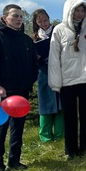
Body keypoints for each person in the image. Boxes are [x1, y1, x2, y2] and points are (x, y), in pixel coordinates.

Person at [48, 0, 86, 159]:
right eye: (76, 11)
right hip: (68, 81)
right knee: (70, 118)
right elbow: (53, 58)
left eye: (82, 11)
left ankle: (85, 148)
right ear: (69, 11)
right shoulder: (59, 30)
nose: (79, 14)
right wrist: (55, 82)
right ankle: (71, 150)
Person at [0, 4, 38, 171]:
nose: (19, 19)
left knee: (18, 128)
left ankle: (14, 160)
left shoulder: (27, 40)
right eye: (15, 16)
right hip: (3, 91)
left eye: (21, 16)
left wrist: (29, 82)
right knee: (1, 126)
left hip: (21, 91)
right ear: (5, 17)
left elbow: (33, 65)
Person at [32, 8, 64, 143]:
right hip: (44, 72)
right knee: (45, 104)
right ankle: (45, 136)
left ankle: (59, 135)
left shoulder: (58, 32)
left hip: (59, 70)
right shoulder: (34, 37)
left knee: (61, 103)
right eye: (40, 22)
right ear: (36, 23)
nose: (44, 24)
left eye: (45, 20)